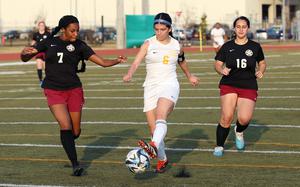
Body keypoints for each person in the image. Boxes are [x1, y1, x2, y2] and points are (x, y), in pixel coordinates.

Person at [21, 15, 127, 176]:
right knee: (66, 126)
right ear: (63, 29)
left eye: (77, 30)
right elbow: (25, 57)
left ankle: (68, 141)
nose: (76, 33)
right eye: (72, 31)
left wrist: (116, 61)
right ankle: (75, 164)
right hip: (53, 90)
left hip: (74, 90)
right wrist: (24, 53)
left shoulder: (80, 45)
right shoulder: (49, 42)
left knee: (75, 132)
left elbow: (103, 62)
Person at [123, 12, 199, 173]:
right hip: (150, 87)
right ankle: (162, 158)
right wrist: (130, 73)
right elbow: (136, 62)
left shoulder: (177, 45)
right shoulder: (148, 43)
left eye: (162, 29)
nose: (158, 32)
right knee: (154, 130)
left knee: (161, 115)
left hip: (169, 84)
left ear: (169, 29)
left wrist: (189, 76)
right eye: (156, 29)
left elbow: (182, 61)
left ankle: (153, 146)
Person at [213, 16, 267, 157]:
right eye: (238, 26)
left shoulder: (255, 46)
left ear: (248, 28)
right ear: (234, 28)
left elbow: (262, 62)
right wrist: (221, 70)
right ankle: (219, 146)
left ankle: (239, 130)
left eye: (244, 26)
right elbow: (217, 64)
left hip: (248, 85)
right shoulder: (227, 46)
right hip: (229, 84)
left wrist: (261, 71)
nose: (241, 29)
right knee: (227, 116)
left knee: (244, 119)